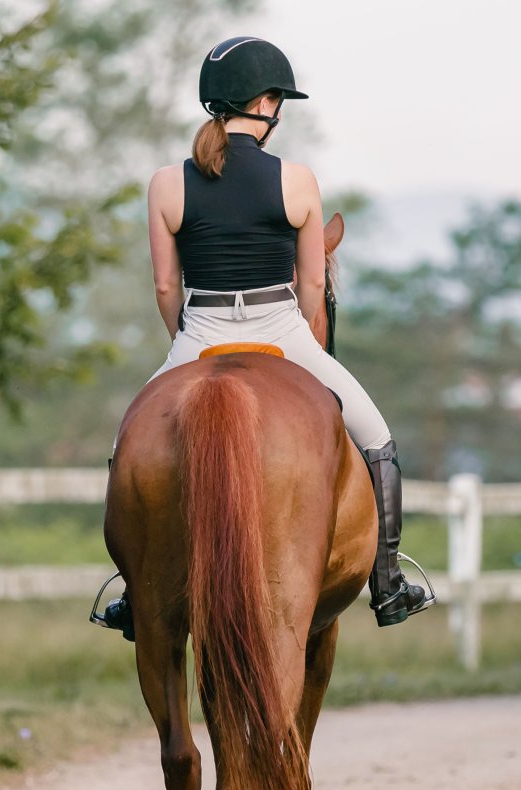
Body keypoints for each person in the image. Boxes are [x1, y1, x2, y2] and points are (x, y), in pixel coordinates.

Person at [92, 37, 432, 639]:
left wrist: (189, 343)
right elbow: (309, 284)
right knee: (377, 439)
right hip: (283, 329)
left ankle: (132, 589)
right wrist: (297, 344)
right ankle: (387, 580)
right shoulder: (296, 179)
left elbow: (165, 288)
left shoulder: (166, 183)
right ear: (268, 103)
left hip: (199, 331)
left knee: (129, 445)